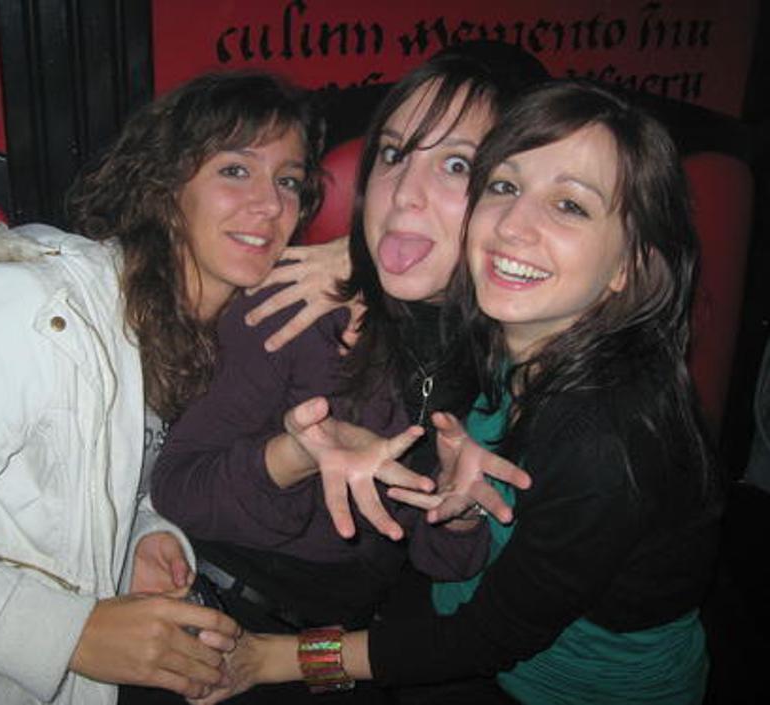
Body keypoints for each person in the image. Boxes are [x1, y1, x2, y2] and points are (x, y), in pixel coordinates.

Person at [202, 80, 724, 704]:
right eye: (502, 187)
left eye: (570, 206)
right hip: (439, 609)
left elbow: (483, 640)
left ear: (628, 267)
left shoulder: (609, 439)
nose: (513, 226)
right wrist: (357, 255)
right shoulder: (500, 330)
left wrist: (276, 660)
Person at [0, 70, 325, 705]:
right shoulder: (32, 315)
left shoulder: (193, 337)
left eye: (288, 181)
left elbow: (98, 473)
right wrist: (68, 633)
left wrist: (143, 536)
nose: (271, 205)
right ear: (165, 185)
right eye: (235, 170)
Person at [128, 44, 546, 705]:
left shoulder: (501, 351)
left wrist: (459, 514)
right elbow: (177, 488)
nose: (404, 192)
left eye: (456, 164)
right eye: (394, 154)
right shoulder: (303, 312)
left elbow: (437, 561)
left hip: (331, 646)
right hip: (211, 622)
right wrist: (293, 455)